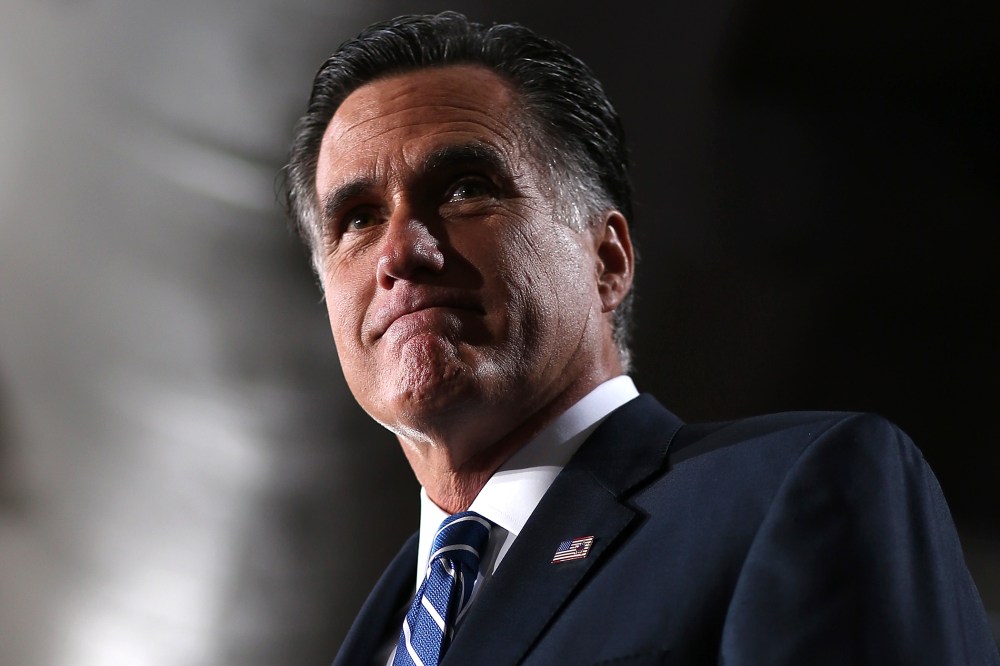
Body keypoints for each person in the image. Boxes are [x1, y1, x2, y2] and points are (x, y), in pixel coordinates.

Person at [281, 11, 998, 666]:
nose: (400, 251)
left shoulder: (793, 487)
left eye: (466, 187)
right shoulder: (380, 632)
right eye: (356, 219)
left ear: (608, 259)